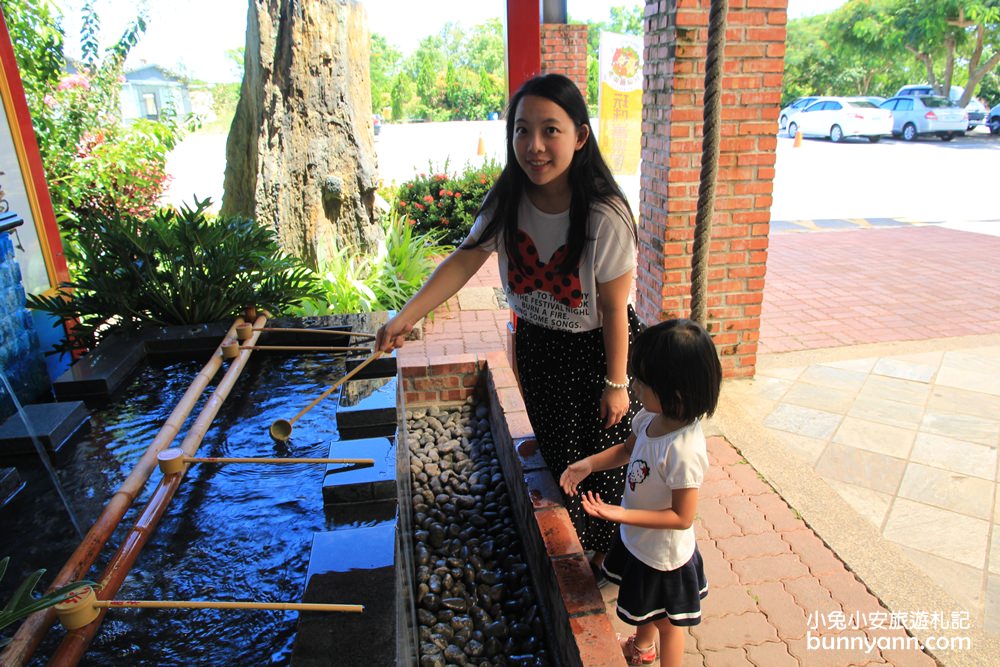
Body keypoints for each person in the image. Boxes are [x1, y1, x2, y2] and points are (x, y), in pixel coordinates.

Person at [375, 73, 641, 572]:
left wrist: (616, 382)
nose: (534, 146)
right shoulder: (508, 199)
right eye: (522, 130)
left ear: (580, 137)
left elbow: (613, 308)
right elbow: (463, 259)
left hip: (598, 350)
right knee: (559, 447)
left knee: (603, 457)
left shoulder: (605, 214)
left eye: (550, 130)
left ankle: (610, 556)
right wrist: (405, 317)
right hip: (539, 343)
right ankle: (577, 541)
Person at [559, 319, 723, 667]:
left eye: (642, 382)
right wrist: (587, 464)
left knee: (668, 623)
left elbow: (682, 517)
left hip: (664, 557)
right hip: (640, 539)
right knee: (649, 609)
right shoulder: (650, 419)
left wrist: (620, 514)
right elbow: (626, 450)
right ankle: (643, 647)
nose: (633, 386)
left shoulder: (684, 450)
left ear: (675, 393)